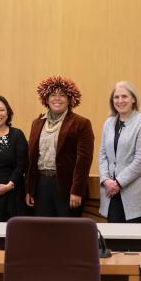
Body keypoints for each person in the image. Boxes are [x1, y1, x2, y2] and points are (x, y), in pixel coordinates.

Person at [26, 76, 94, 217]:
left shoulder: (81, 123)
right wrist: (30, 190)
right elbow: (31, 159)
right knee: (43, 232)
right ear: (46, 98)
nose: (57, 98)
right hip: (41, 185)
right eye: (53, 95)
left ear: (70, 100)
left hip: (67, 187)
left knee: (67, 233)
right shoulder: (37, 123)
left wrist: (76, 191)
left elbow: (84, 161)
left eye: (62, 95)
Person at [98, 81, 141, 222]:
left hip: (134, 195)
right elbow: (102, 154)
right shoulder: (108, 123)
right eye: (116, 97)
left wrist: (118, 183)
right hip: (111, 194)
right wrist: (105, 180)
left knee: (135, 242)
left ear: (133, 99)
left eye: (124, 96)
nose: (120, 101)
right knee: (114, 241)